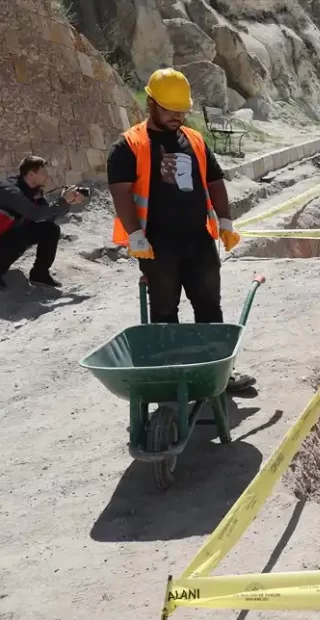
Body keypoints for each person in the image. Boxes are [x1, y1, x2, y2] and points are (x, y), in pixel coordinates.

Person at [106, 67, 254, 392]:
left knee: (209, 308)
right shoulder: (129, 145)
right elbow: (120, 193)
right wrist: (135, 235)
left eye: (182, 110)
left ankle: (216, 376)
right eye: (170, 109)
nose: (177, 116)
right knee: (164, 312)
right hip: (157, 245)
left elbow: (215, 182)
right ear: (151, 103)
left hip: (198, 240)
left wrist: (225, 222)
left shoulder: (195, 140)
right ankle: (172, 378)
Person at [0, 156, 86, 289]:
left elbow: (48, 217)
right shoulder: (10, 190)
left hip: (7, 234)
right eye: (44, 173)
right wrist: (62, 201)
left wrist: (68, 203)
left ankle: (39, 273)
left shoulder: (35, 191)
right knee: (18, 239)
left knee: (50, 229)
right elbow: (36, 214)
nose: (48, 176)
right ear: (31, 174)